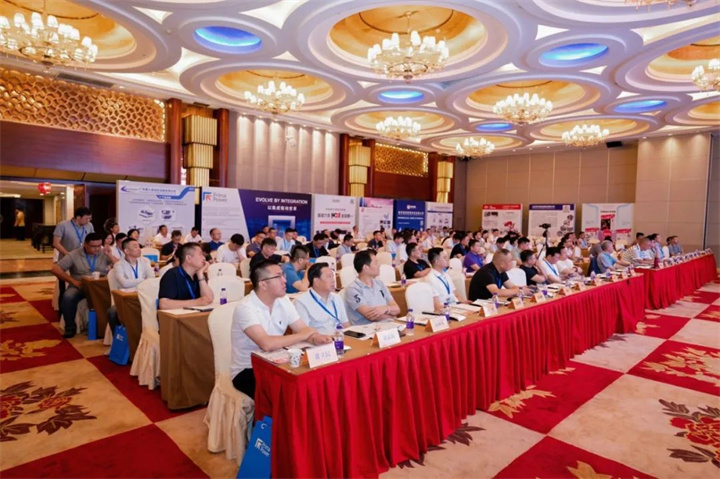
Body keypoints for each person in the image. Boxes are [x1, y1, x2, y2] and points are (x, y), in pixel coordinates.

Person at [231, 261, 331, 397]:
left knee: (314, 381)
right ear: (263, 284)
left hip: (278, 362)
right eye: (278, 277)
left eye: (283, 275)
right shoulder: (246, 307)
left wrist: (315, 338)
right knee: (292, 394)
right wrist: (303, 335)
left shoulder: (283, 300)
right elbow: (266, 344)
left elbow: (302, 328)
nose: (284, 280)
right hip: (249, 369)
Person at [51, 233, 112, 338]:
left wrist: (110, 255)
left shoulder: (104, 253)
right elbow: (55, 269)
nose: (97, 249)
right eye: (93, 246)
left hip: (100, 286)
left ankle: (105, 327)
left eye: (99, 246)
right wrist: (73, 281)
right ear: (85, 245)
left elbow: (120, 265)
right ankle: (70, 327)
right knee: (68, 297)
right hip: (80, 285)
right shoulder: (74, 254)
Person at [106, 237, 155, 332]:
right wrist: (142, 279)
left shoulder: (145, 261)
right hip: (127, 298)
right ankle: (120, 338)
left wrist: (135, 282)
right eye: (135, 247)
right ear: (126, 251)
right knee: (112, 312)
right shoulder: (119, 265)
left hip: (144, 296)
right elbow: (124, 283)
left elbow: (151, 278)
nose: (139, 249)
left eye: (139, 246)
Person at [53, 206, 95, 314]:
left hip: (83, 261)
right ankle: (62, 313)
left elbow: (92, 240)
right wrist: (69, 255)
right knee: (64, 289)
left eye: (89, 218)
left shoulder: (89, 226)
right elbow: (56, 243)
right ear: (78, 217)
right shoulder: (63, 225)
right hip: (66, 261)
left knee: (82, 286)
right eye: (86, 218)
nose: (88, 221)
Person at [344, 250, 400, 325]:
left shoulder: (379, 284)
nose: (379, 266)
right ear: (366, 268)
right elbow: (371, 316)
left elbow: (397, 309)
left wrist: (385, 309)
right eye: (376, 263)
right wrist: (392, 316)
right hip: (367, 329)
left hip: (386, 326)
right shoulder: (353, 289)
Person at [295, 262, 350, 335]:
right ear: (317, 282)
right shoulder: (302, 302)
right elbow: (303, 333)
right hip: (320, 340)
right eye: (329, 277)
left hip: (340, 338)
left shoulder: (337, 297)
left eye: (332, 276)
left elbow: (345, 324)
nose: (333, 280)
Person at [158, 243, 213, 310]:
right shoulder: (172, 275)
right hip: (177, 315)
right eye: (200, 254)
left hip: (194, 314)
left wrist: (200, 274)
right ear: (189, 258)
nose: (204, 258)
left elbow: (208, 299)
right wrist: (196, 302)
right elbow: (163, 304)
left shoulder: (197, 275)